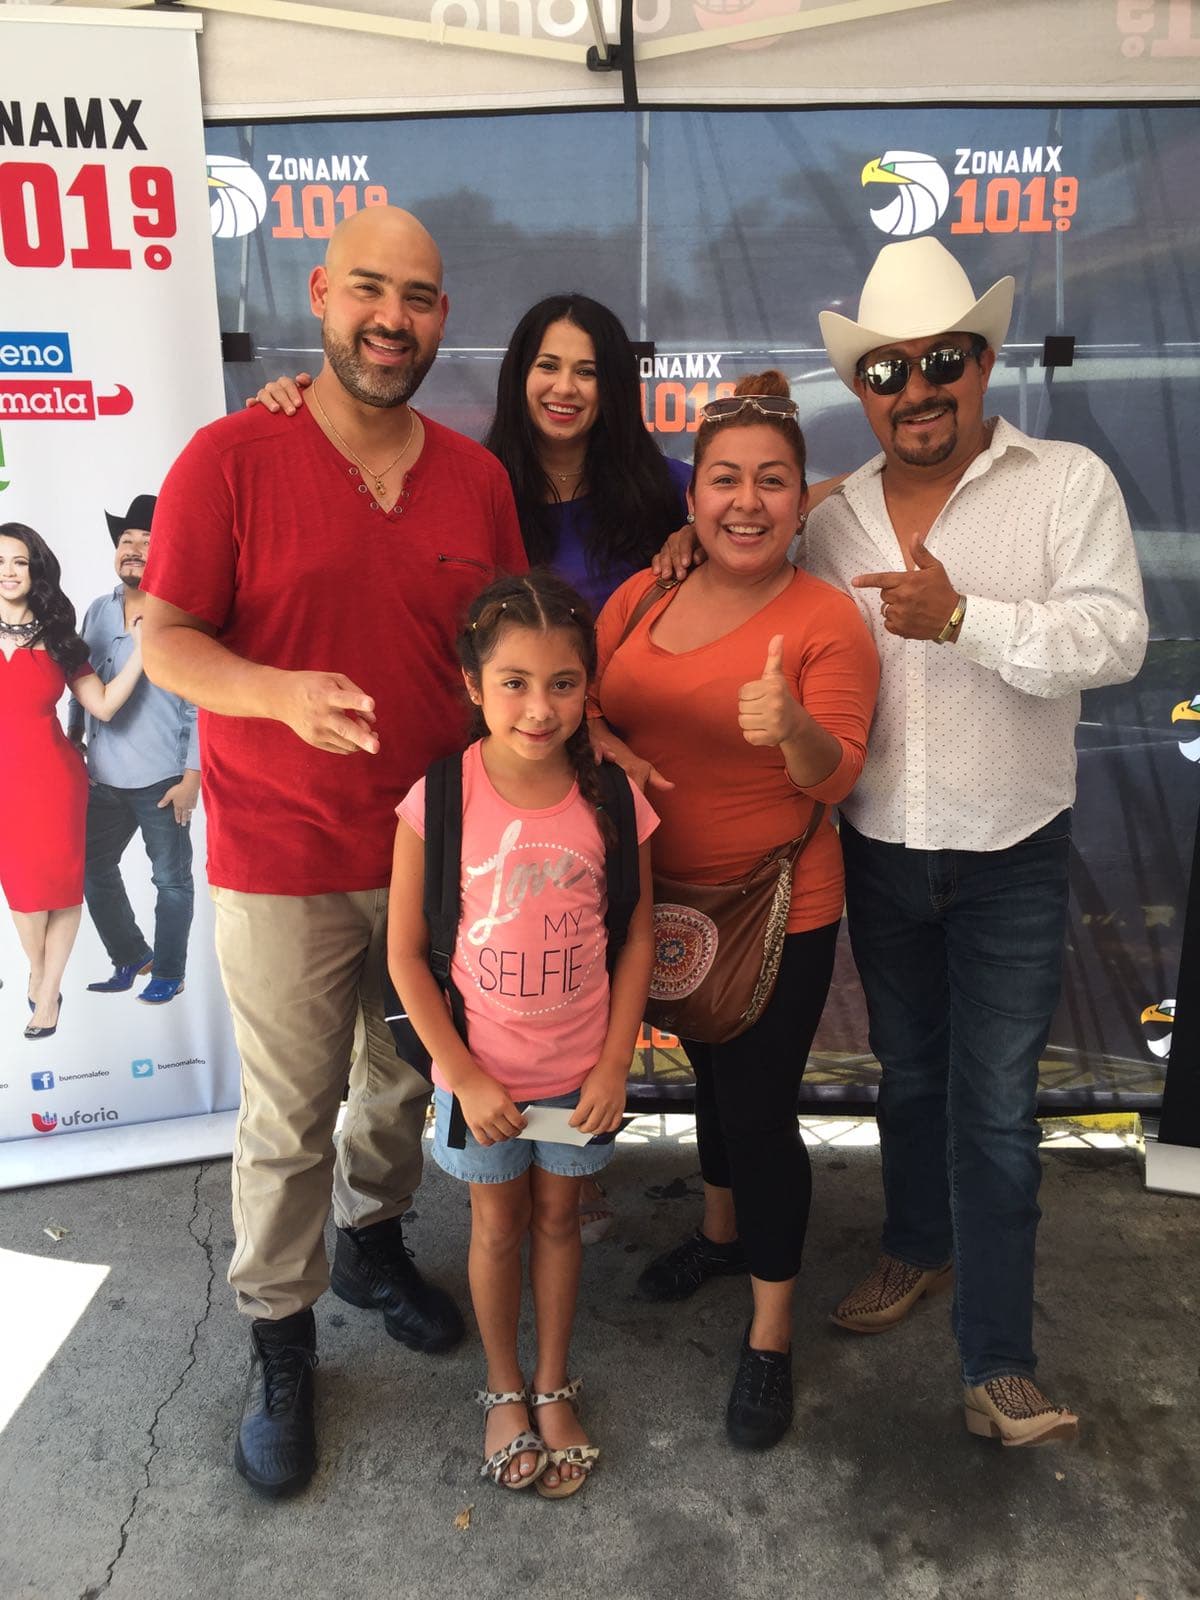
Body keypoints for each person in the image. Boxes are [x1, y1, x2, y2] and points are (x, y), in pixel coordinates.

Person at [139, 206, 528, 1500]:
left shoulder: (475, 479)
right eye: (370, 289)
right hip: (281, 856)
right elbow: (168, 638)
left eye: (417, 298)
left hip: (434, 854)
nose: (392, 318)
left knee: (403, 1087)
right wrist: (273, 696)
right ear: (319, 292)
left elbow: (507, 657)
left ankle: (371, 1244)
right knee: (290, 1113)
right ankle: (282, 1339)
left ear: (440, 320)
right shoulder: (229, 460)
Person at [254, 292, 692, 1242]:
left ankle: (594, 1166)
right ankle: (490, 1197)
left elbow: (769, 504)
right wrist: (298, 398)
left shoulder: (665, 491)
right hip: (491, 793)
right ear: (516, 373)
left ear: (616, 386)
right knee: (467, 986)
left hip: (621, 784)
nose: (566, 388)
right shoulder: (472, 475)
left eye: (587, 369)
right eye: (547, 365)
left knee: (606, 947)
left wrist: (699, 529)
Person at [804, 236, 1148, 1445]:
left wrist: (964, 618)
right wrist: (702, 540)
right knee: (908, 1078)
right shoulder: (830, 517)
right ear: (863, 391)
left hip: (1012, 852)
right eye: (890, 370)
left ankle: (999, 1362)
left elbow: (1117, 641)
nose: (917, 388)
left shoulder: (1067, 484)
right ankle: (915, 1247)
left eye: (942, 360)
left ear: (985, 360)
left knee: (996, 1111)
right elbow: (764, 603)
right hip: (882, 850)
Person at [590, 373, 879, 1450]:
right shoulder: (643, 596)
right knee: (706, 1073)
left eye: (771, 480)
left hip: (775, 909)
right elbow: (581, 706)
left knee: (757, 1110)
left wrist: (791, 727)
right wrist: (603, 744)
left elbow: (838, 775)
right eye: (725, 479)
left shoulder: (825, 620)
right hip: (660, 905)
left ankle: (769, 1333)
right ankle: (719, 1234)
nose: (746, 501)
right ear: (692, 497)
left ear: (804, 500)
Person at [389, 570, 657, 1497]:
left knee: (559, 1222)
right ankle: (503, 1385)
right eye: (513, 682)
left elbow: (637, 936)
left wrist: (616, 1062)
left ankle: (553, 1381)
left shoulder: (614, 797)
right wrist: (461, 1075)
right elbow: (404, 956)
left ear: (589, 687)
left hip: (579, 1079)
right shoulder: (440, 798)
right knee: (496, 1224)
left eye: (564, 684)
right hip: (484, 1083)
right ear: (471, 684)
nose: (540, 709)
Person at [0, 523, 145, 1040]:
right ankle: (38, 971)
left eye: (18, 561)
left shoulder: (59, 637)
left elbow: (102, 703)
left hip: (55, 779)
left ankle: (49, 988)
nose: (8, 572)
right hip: (4, 785)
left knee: (61, 889)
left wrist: (143, 654)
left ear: (34, 568)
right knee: (21, 892)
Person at [66, 495, 199, 1005]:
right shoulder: (97, 611)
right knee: (90, 867)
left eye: (148, 542)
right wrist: (74, 736)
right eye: (127, 541)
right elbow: (81, 677)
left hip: (163, 779)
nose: (135, 550)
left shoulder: (178, 615)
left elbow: (199, 700)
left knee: (170, 880)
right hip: (103, 778)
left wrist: (193, 776)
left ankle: (169, 970)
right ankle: (131, 956)